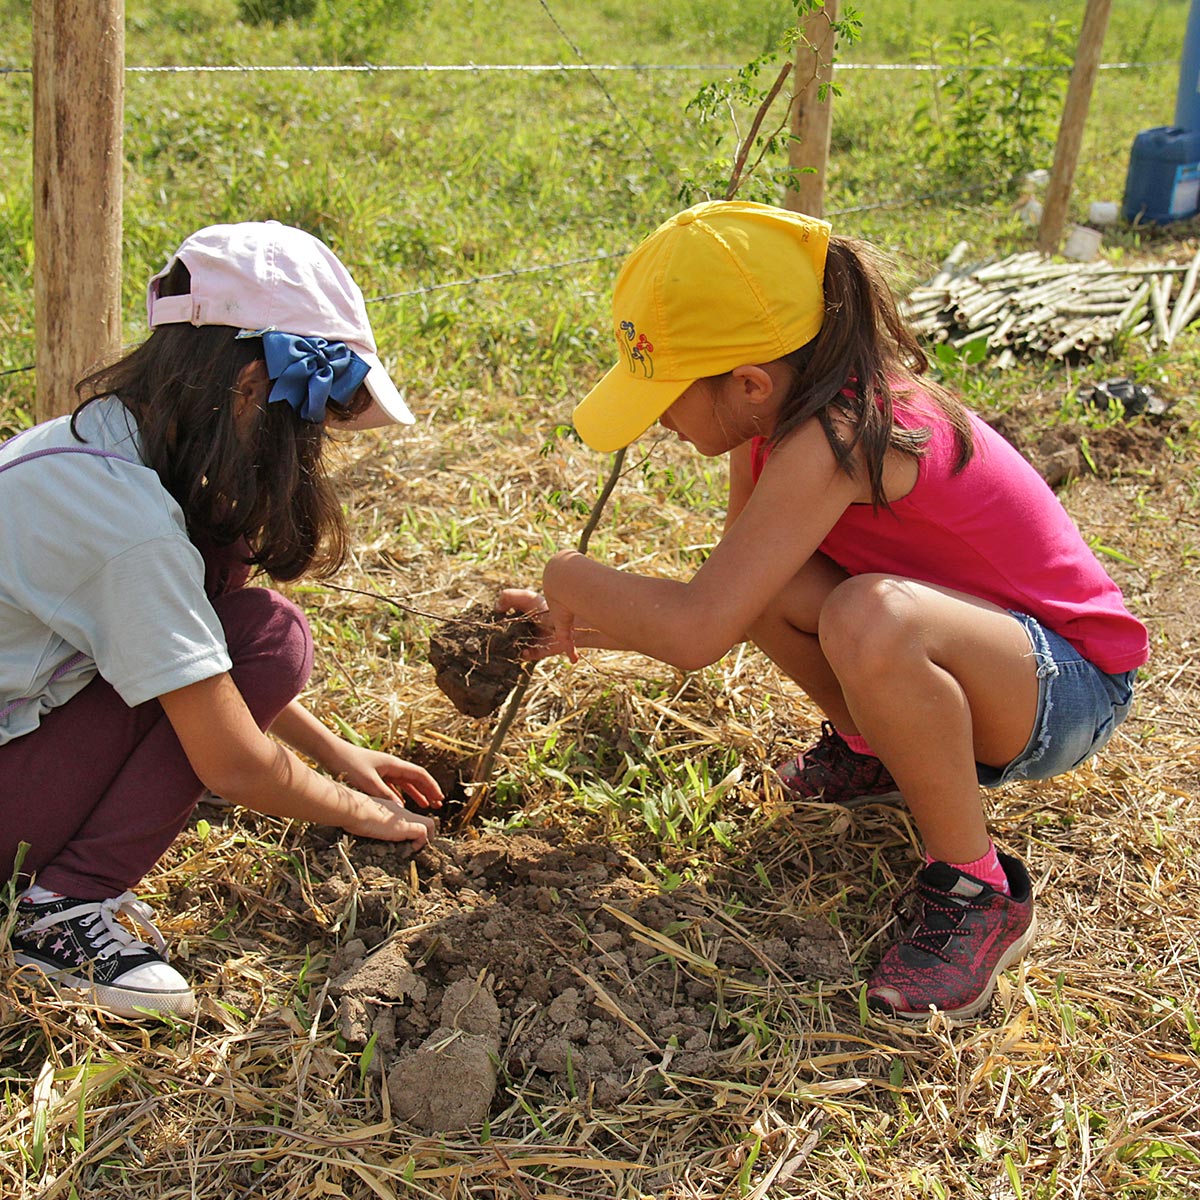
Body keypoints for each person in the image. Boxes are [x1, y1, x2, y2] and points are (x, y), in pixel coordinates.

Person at [503, 200, 1147, 1022]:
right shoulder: (780, 417)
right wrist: (585, 628)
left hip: (1070, 686)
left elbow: (697, 632)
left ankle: (977, 889)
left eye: (664, 395)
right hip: (989, 659)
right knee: (793, 585)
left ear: (748, 383)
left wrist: (567, 574)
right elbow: (735, 597)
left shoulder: (842, 431)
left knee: (871, 617)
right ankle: (876, 749)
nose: (659, 420)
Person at [1, 221, 442, 1020]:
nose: (306, 452)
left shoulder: (104, 451)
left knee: (231, 579)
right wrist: (362, 814)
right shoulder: (124, 527)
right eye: (305, 427)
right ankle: (61, 909)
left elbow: (187, 648)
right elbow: (235, 761)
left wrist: (338, 754)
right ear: (248, 390)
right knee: (273, 632)